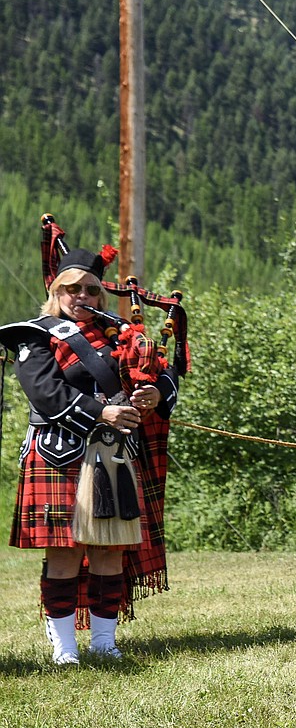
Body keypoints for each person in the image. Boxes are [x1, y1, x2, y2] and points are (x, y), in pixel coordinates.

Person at [0, 247, 178, 664]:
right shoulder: (35, 334)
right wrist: (103, 410)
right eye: (73, 289)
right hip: (59, 454)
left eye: (91, 290)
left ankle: (104, 643)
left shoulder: (119, 333)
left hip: (112, 455)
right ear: (56, 290)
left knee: (108, 549)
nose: (82, 297)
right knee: (63, 551)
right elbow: (44, 391)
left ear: (100, 294)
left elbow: (164, 375)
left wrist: (155, 394)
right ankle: (65, 649)